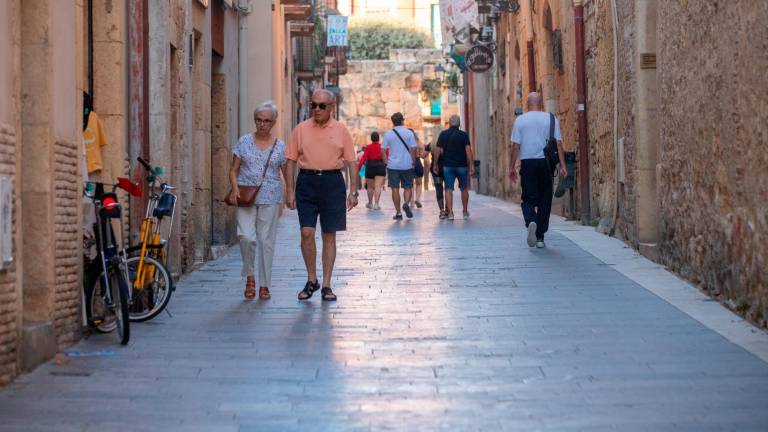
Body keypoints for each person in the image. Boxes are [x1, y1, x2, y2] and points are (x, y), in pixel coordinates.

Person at [286, 89, 359, 301]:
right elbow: (290, 160)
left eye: (321, 106)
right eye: (313, 105)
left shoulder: (341, 130)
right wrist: (290, 190)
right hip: (306, 182)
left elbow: (351, 162)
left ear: (331, 107)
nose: (316, 109)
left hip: (333, 183)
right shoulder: (300, 129)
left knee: (329, 235)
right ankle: (312, 279)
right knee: (306, 233)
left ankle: (326, 284)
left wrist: (353, 191)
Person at [229, 101, 288, 300]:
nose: (261, 124)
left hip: (271, 197)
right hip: (245, 196)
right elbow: (233, 169)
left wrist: (290, 195)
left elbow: (286, 173)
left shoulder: (280, 146)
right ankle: (249, 276)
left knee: (266, 241)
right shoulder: (244, 141)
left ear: (273, 122)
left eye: (266, 121)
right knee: (246, 236)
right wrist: (235, 187)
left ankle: (264, 284)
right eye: (258, 120)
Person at [509, 92, 567, 248]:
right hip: (546, 164)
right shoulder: (551, 119)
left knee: (528, 198)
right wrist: (562, 165)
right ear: (541, 104)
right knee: (545, 199)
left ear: (527, 104)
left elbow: (515, 146)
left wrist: (511, 166)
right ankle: (540, 237)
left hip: (527, 163)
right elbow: (559, 143)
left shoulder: (520, 120)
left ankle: (531, 221)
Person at [434, 115, 474, 220]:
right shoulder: (464, 135)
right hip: (462, 166)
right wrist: (471, 165)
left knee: (448, 189)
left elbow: (437, 150)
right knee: (464, 188)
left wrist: (435, 164)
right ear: (459, 123)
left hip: (448, 166)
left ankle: (451, 213)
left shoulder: (443, 134)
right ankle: (465, 212)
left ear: (449, 123)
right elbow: (468, 151)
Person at [381, 112, 417, 220]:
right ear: (402, 121)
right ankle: (406, 203)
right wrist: (413, 161)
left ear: (393, 122)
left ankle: (398, 213)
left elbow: (383, 149)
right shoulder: (409, 133)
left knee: (395, 189)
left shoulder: (388, 134)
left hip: (393, 166)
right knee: (408, 187)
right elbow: (413, 149)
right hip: (407, 164)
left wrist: (386, 162)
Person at [357, 131, 386, 210]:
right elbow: (387, 156)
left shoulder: (368, 147)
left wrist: (358, 168)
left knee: (370, 187)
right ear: (378, 138)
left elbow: (364, 158)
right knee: (378, 187)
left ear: (371, 138)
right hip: (380, 166)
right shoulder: (382, 147)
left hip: (370, 167)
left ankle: (370, 203)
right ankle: (376, 204)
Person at [426, 143, 446, 219]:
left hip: (436, 170)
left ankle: (442, 211)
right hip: (447, 168)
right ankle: (448, 210)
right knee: (448, 189)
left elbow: (423, 155)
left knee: (439, 189)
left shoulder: (431, 145)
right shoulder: (447, 142)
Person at [409, 128, 425, 209]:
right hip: (418, 162)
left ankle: (411, 202)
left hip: (409, 163)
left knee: (410, 184)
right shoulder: (418, 142)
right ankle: (418, 199)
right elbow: (423, 154)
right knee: (419, 183)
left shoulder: (406, 143)